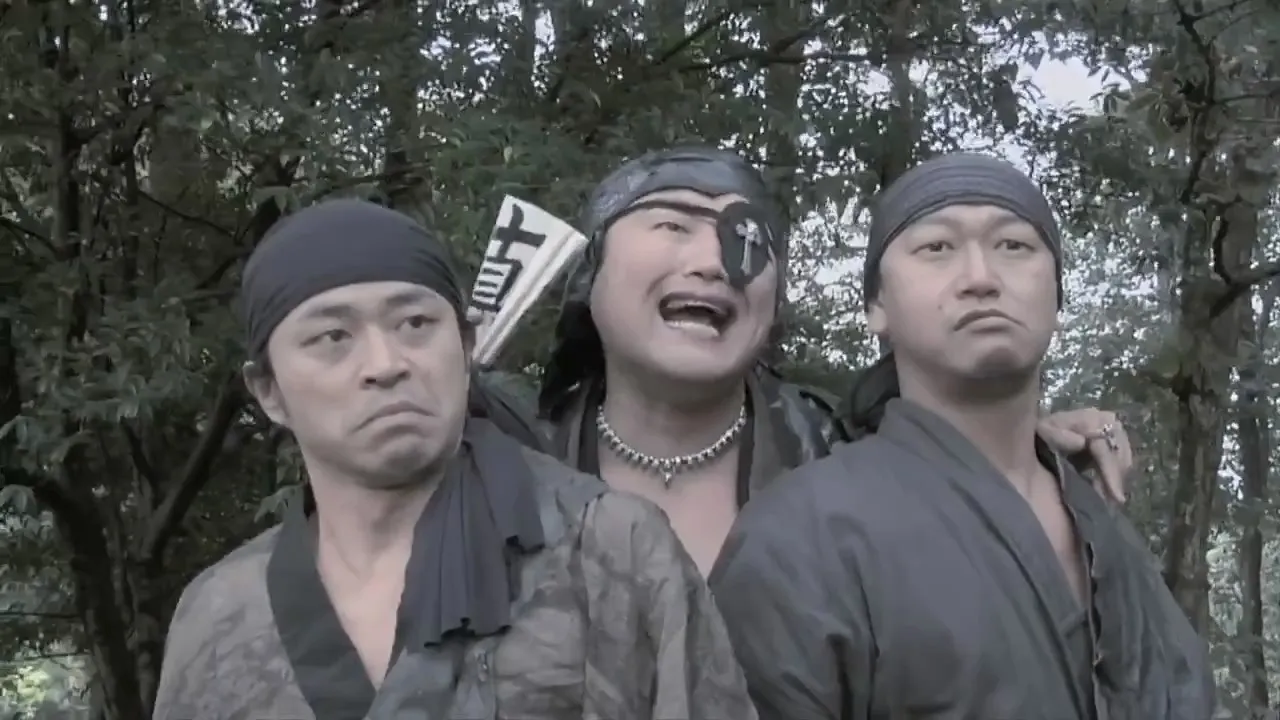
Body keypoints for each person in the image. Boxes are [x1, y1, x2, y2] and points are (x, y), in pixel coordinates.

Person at [151, 199, 756, 720]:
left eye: (415, 323)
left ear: (464, 345)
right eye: (333, 337)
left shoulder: (607, 547)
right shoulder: (219, 614)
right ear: (269, 391)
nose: (386, 363)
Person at [709, 153, 1215, 719]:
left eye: (1013, 246)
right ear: (877, 307)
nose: (981, 278)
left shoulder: (1104, 527)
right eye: (937, 248)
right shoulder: (801, 536)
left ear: (1057, 295)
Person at [533, 145, 1136, 575]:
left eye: (746, 239)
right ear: (591, 273)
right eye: (673, 224)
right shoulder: (507, 458)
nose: (714, 263)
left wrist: (1017, 453)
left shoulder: (850, 459)